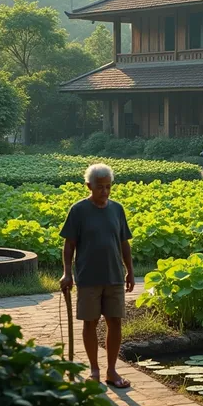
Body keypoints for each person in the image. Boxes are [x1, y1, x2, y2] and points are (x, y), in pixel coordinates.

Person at [59, 163, 135, 388]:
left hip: (114, 276)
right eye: (100, 187)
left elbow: (124, 242)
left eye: (108, 187)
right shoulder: (79, 210)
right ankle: (94, 370)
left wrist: (130, 270)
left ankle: (112, 371)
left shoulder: (117, 209)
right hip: (88, 277)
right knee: (90, 323)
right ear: (88, 186)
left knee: (115, 322)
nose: (105, 191)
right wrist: (67, 274)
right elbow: (69, 245)